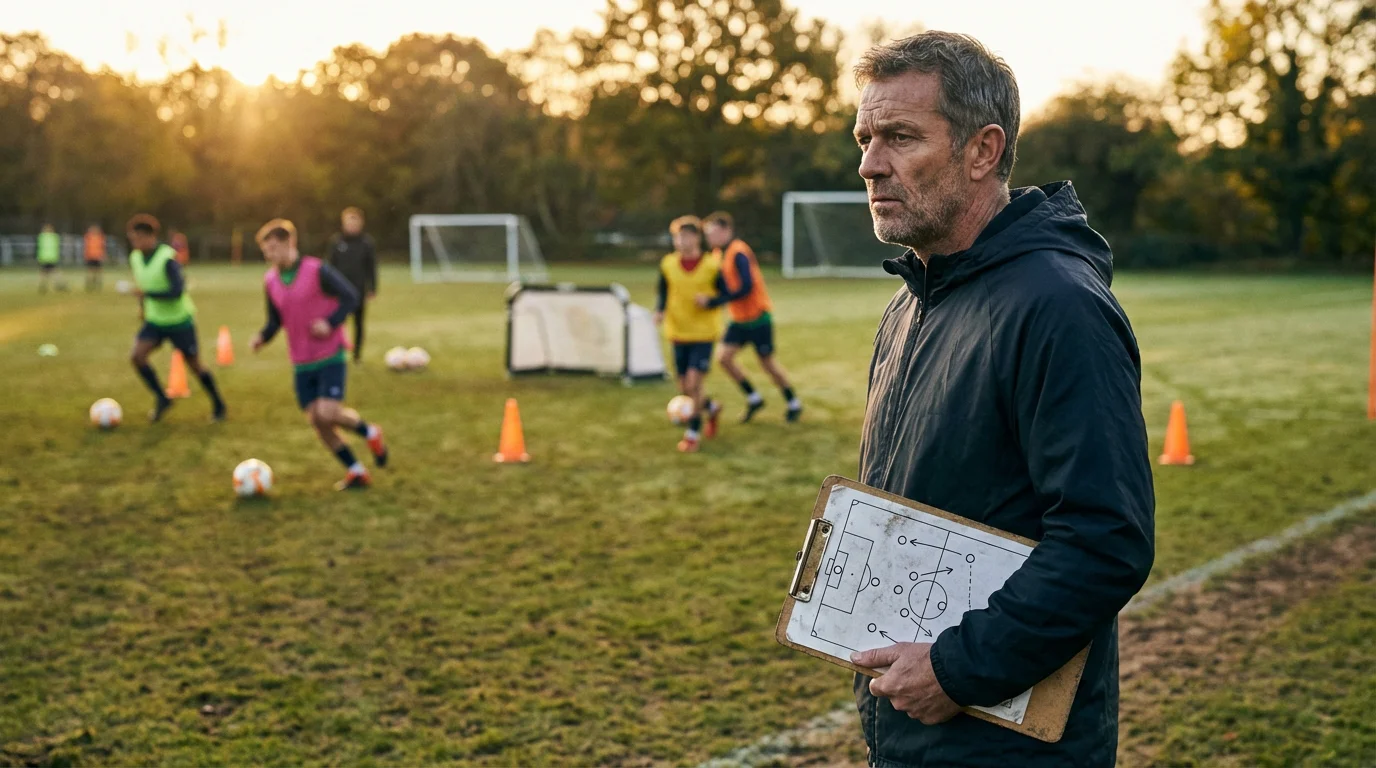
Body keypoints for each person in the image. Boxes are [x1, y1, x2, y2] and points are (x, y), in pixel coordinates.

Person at [842, 32, 1155, 767]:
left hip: (1004, 744)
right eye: (864, 138)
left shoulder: (1058, 306)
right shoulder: (912, 300)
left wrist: (958, 668)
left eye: (899, 137)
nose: (869, 164)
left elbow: (1104, 540)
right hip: (912, 722)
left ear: (983, 151)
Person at [249, 219, 389, 490]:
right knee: (317, 420)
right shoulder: (270, 281)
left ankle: (370, 432)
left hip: (330, 353)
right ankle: (356, 470)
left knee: (328, 411)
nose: (270, 255)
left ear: (291, 243)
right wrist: (262, 338)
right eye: (266, 251)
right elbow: (275, 319)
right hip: (301, 361)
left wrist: (331, 322)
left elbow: (350, 296)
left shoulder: (317, 270)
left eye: (274, 248)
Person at [697, 211, 802, 423]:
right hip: (738, 320)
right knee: (724, 358)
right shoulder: (717, 255)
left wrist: (714, 302)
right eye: (708, 234)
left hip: (757, 317)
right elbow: (723, 286)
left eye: (714, 232)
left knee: (767, 363)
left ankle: (793, 403)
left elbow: (745, 287)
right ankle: (754, 398)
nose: (710, 237)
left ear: (726, 230)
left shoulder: (739, 252)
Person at [126, 214, 227, 423]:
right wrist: (142, 307)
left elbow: (177, 291)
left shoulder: (168, 258)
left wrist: (147, 296)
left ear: (149, 237)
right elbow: (143, 286)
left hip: (179, 321)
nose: (134, 243)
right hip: (155, 321)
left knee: (195, 365)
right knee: (137, 356)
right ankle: (162, 398)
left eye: (137, 238)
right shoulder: (135, 257)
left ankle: (219, 404)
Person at [655, 216, 723, 453]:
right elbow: (663, 290)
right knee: (684, 387)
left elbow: (726, 295)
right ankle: (712, 408)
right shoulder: (668, 264)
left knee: (694, 384)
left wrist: (711, 301)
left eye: (684, 236)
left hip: (703, 334)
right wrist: (660, 310)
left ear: (696, 237)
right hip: (677, 332)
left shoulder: (712, 265)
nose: (680, 241)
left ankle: (692, 434)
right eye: (676, 236)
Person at [327, 207, 378, 364]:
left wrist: (373, 288)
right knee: (338, 322)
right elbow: (329, 267)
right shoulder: (336, 242)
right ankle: (336, 352)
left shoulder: (366, 243)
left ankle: (357, 355)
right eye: (349, 222)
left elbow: (371, 267)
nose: (352, 226)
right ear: (344, 223)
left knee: (359, 323)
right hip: (339, 292)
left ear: (361, 224)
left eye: (355, 223)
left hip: (358, 290)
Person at [36, 223, 65, 293]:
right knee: (48, 272)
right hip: (47, 258)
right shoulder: (50, 237)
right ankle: (56, 285)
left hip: (50, 258)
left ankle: (45, 286)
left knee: (48, 272)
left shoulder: (43, 237)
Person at [83, 224, 106, 292]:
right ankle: (90, 285)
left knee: (97, 272)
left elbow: (102, 247)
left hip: (98, 257)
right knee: (90, 271)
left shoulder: (100, 237)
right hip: (90, 256)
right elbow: (86, 247)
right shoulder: (88, 237)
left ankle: (97, 285)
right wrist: (86, 255)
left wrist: (103, 255)